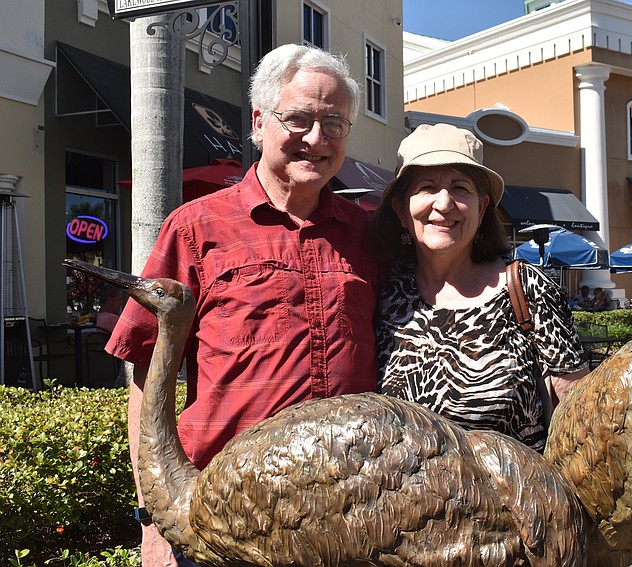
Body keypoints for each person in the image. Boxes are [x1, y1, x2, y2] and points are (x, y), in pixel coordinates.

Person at [105, 44, 382, 567]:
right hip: (223, 518)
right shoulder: (194, 228)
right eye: (297, 118)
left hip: (346, 516)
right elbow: (147, 375)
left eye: (334, 123)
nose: (316, 139)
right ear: (259, 122)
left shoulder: (369, 237)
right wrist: (154, 519)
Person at [371, 123, 588, 453]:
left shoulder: (528, 289)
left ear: (482, 207)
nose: (444, 204)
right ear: (402, 210)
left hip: (516, 500)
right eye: (427, 187)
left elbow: (581, 421)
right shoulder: (384, 293)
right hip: (412, 501)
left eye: (460, 188)